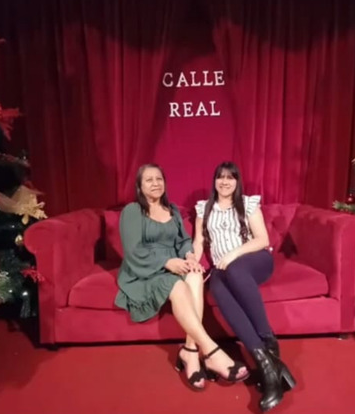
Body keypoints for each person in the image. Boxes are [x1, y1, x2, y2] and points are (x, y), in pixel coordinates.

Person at [115, 163, 249, 391]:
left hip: (174, 265)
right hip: (144, 270)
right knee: (177, 286)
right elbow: (133, 250)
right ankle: (212, 352)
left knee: (195, 275)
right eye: (149, 180)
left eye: (159, 179)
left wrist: (188, 255)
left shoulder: (172, 210)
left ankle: (190, 350)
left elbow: (184, 240)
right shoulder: (132, 211)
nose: (155, 183)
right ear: (139, 186)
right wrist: (167, 262)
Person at [192, 161, 296, 412]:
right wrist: (192, 261)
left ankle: (268, 340)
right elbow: (198, 242)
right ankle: (268, 365)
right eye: (220, 177)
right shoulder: (204, 208)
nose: (225, 182)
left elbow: (262, 239)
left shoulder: (247, 204)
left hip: (254, 260)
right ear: (214, 181)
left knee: (235, 270)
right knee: (216, 286)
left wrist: (233, 255)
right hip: (222, 269)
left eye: (231, 178)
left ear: (237, 182)